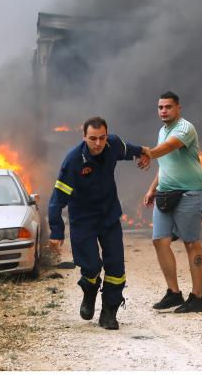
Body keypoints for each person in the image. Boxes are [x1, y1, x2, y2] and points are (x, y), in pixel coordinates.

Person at [48, 116, 149, 330]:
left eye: (102, 138)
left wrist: (143, 151)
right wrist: (56, 231)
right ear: (84, 136)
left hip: (109, 216)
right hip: (83, 220)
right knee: (91, 265)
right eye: (93, 138)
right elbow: (57, 200)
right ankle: (89, 290)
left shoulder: (112, 145)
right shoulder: (73, 161)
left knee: (116, 266)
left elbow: (128, 149)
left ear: (106, 136)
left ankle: (109, 312)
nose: (98, 144)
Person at [143, 91, 202, 313]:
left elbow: (168, 148)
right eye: (160, 107)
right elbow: (165, 164)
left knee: (191, 243)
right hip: (164, 194)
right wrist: (152, 189)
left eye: (168, 107)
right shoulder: (162, 130)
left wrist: (146, 153)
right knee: (159, 241)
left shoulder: (184, 128)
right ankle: (174, 293)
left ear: (178, 108)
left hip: (190, 193)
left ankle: (198, 297)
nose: (163, 111)